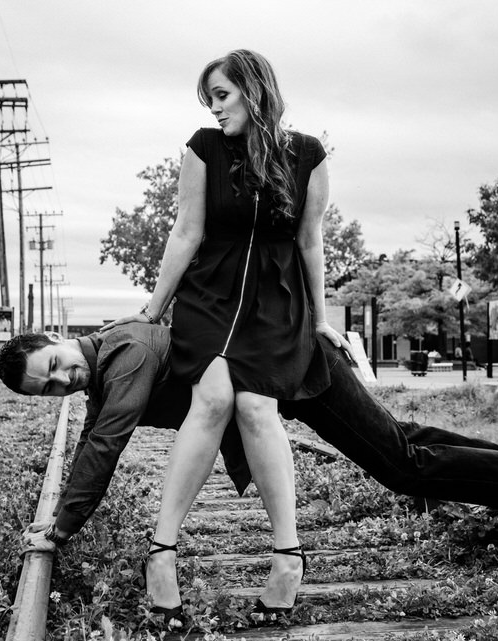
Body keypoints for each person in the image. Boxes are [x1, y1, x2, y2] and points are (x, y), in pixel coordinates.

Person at [96, 49, 343, 627]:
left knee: (258, 405)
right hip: (210, 294)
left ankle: (288, 559)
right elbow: (187, 230)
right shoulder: (202, 148)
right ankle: (162, 552)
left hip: (276, 299)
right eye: (209, 96)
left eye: (223, 94)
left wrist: (321, 318)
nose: (214, 106)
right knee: (212, 398)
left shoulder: (308, 154)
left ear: (254, 91)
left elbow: (310, 241)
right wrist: (155, 309)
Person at [0, 326, 498, 562]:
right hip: (284, 373)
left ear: (59, 337)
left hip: (298, 368)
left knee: (400, 467)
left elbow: (104, 445)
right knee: (403, 443)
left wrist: (61, 526)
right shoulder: (103, 374)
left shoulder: (122, 354)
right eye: (48, 387)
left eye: (54, 364)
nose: (61, 380)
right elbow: (93, 440)